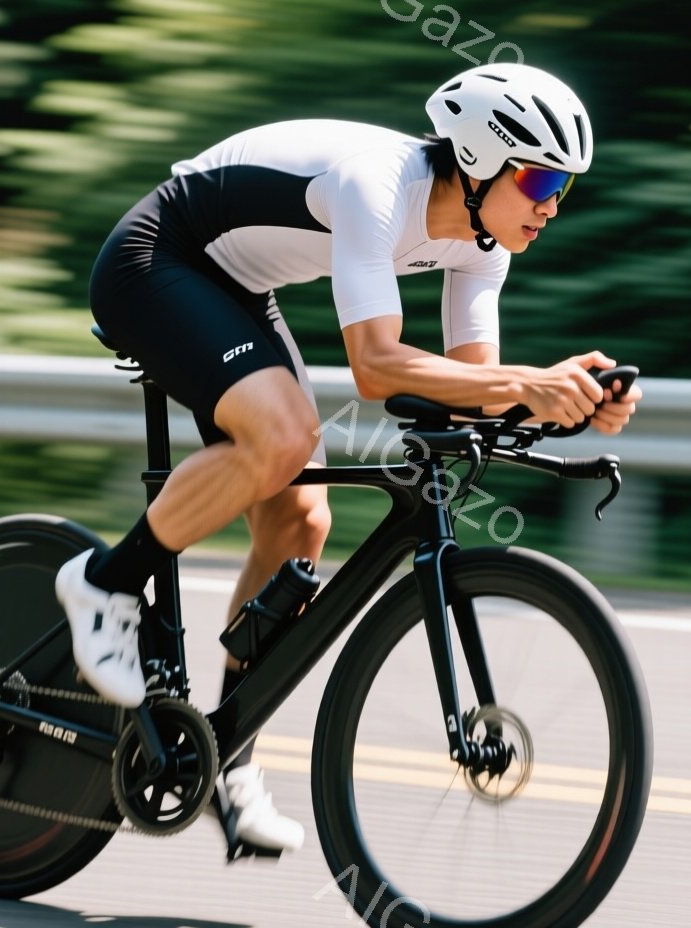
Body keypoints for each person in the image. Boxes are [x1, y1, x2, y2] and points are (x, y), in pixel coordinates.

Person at [54, 63, 644, 854]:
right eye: (538, 178)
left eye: (563, 187)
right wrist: (527, 383)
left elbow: (472, 386)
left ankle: (229, 757)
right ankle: (103, 584)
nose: (550, 204)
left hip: (235, 292)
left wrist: (571, 398)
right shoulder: (379, 185)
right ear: (477, 158)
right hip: (157, 261)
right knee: (286, 437)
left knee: (302, 514)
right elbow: (375, 366)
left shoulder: (484, 245)